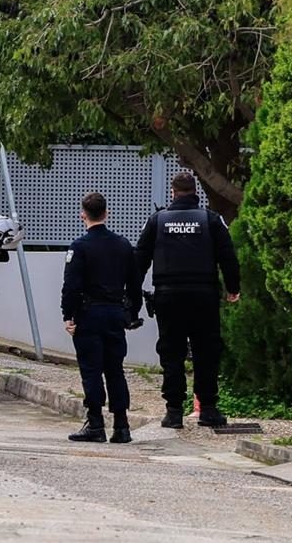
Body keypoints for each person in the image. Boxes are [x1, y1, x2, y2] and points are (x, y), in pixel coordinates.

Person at [135, 172, 240, 429]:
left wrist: (132, 293)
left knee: (171, 351)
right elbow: (228, 256)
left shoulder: (157, 221)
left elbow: (139, 259)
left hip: (168, 296)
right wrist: (233, 288)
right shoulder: (210, 220)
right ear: (196, 192)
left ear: (172, 193)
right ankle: (208, 409)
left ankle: (173, 412)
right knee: (206, 351)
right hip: (203, 296)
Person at [61, 192, 142, 444]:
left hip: (89, 315)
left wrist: (67, 315)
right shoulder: (123, 245)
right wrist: (132, 313)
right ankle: (122, 425)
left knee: (92, 370)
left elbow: (71, 285)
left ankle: (95, 424)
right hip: (115, 314)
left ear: (83, 215)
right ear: (107, 213)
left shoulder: (80, 247)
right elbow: (135, 283)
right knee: (115, 369)